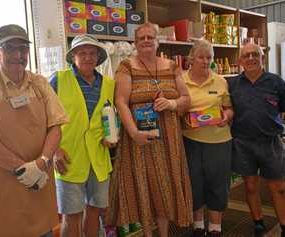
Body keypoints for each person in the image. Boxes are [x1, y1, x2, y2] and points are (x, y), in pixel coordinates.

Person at [0, 24, 69, 237]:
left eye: (23, 49)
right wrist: (25, 170)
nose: (18, 55)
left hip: (39, 190)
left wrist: (41, 162)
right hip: (1, 195)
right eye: (10, 48)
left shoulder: (40, 84)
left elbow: (55, 127)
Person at [107, 22, 193, 237]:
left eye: (150, 37)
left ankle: (163, 234)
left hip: (168, 140)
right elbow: (121, 102)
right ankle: (147, 234)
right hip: (139, 139)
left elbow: (186, 99)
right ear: (135, 43)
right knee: (143, 187)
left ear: (157, 41)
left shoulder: (172, 66)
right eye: (141, 38)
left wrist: (171, 104)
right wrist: (134, 133)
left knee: (164, 186)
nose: (146, 40)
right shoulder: (126, 66)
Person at [49, 34, 116, 237]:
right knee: (72, 215)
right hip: (69, 157)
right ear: (73, 56)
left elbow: (110, 115)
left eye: (92, 53)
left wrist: (111, 135)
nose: (88, 57)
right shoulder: (58, 80)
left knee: (95, 211)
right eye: (82, 53)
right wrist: (54, 150)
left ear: (98, 57)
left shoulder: (109, 84)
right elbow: (44, 118)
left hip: (98, 157)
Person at [228, 42, 285, 237]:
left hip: (271, 142)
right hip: (243, 143)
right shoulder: (233, 84)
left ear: (262, 58)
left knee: (278, 186)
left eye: (255, 54)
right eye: (246, 55)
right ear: (240, 61)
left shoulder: (276, 82)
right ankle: (258, 222)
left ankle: (283, 225)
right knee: (250, 185)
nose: (251, 58)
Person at [181, 39, 234, 237]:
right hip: (190, 141)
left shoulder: (220, 81)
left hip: (219, 141)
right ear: (191, 60)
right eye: (201, 57)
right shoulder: (180, 80)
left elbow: (229, 108)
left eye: (209, 58)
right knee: (194, 182)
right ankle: (198, 225)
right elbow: (177, 108)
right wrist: (182, 118)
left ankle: (215, 228)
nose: (205, 61)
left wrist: (226, 117)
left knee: (218, 183)